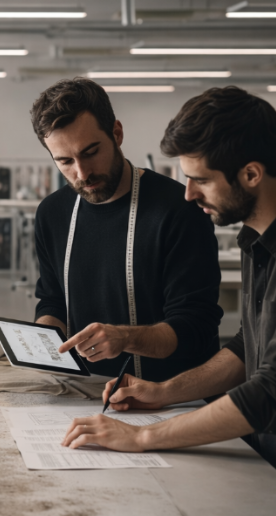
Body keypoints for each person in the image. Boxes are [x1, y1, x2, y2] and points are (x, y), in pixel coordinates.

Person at [61, 86, 276, 516]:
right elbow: (251, 350)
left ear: (250, 174)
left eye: (200, 180)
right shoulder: (260, 237)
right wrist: (164, 393)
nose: (187, 194)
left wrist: (143, 439)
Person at [31, 78, 222, 383]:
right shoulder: (52, 213)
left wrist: (125, 338)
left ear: (117, 134)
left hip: (174, 396)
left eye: (91, 152)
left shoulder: (179, 210)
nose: (82, 173)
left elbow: (194, 327)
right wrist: (44, 342)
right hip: (86, 390)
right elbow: (53, 299)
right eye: (65, 161)